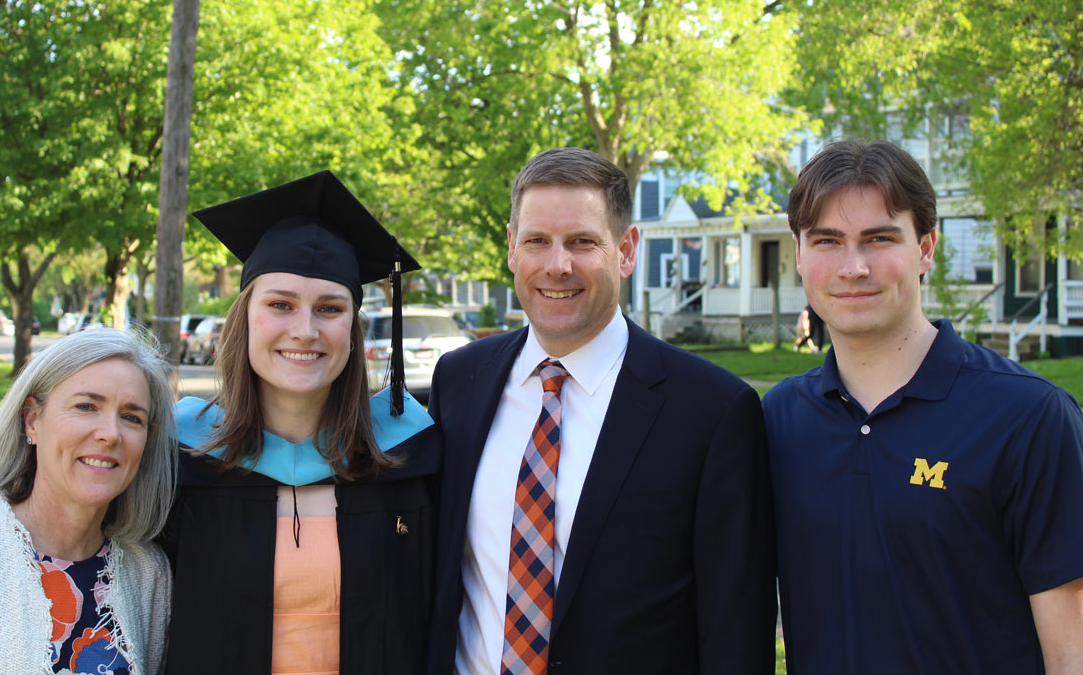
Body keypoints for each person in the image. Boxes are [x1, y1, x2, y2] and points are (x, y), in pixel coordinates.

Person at [428, 148, 776, 675]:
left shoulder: (712, 411)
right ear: (511, 248)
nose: (557, 265)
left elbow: (736, 628)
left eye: (582, 242)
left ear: (626, 249)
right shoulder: (459, 381)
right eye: (537, 241)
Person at [765, 139, 1083, 674]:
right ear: (799, 253)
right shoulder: (778, 419)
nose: (853, 266)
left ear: (926, 248)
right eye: (827, 241)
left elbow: (1071, 644)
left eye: (879, 238)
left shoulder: (1030, 417)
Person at [160, 170, 440, 675]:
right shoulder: (179, 459)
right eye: (280, 305)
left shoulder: (413, 456)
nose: (305, 330)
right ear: (244, 318)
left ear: (352, 332)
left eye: (329, 308)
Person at [0, 328, 176, 674]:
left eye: (131, 417)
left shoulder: (148, 574)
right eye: (86, 406)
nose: (110, 433)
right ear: (32, 420)